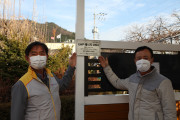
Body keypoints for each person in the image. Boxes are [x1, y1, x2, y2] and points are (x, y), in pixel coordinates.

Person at [98, 46, 176, 120]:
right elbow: (117, 83)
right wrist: (106, 67)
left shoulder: (163, 82)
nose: (142, 61)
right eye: (139, 58)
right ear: (135, 61)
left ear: (151, 60)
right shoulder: (132, 79)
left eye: (145, 58)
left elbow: (170, 112)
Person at [11, 41, 76, 120]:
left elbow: (63, 85)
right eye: (34, 54)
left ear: (47, 57)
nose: (38, 57)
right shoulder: (22, 84)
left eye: (42, 53)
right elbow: (16, 116)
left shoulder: (51, 76)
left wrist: (71, 67)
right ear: (27, 58)